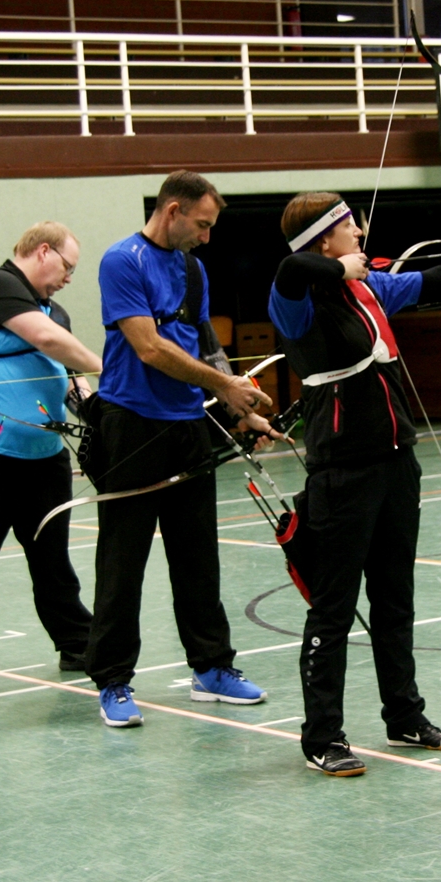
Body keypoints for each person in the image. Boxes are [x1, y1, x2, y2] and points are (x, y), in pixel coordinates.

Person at [268, 192, 441, 775]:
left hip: (397, 464)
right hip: (342, 470)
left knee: (395, 600)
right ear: (324, 239)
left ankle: (405, 716)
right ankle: (322, 736)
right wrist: (341, 269)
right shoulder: (298, 302)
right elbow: (291, 267)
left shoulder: (369, 289)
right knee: (334, 609)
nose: (359, 232)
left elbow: (437, 282)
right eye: (349, 226)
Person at [84, 170, 271, 728]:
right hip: (130, 426)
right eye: (202, 224)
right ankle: (113, 680)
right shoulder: (122, 261)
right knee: (123, 561)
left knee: (198, 557)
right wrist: (224, 385)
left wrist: (240, 406)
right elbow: (149, 347)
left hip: (188, 426)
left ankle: (211, 668)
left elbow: (205, 345)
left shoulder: (193, 269)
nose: (207, 237)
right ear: (173, 211)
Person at [0, 222, 104, 699]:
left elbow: (71, 378)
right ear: (43, 251)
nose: (68, 278)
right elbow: (47, 341)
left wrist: (102, 412)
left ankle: (76, 644)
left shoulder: (55, 311)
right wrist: (112, 367)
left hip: (44, 455)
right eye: (67, 267)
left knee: (52, 559)